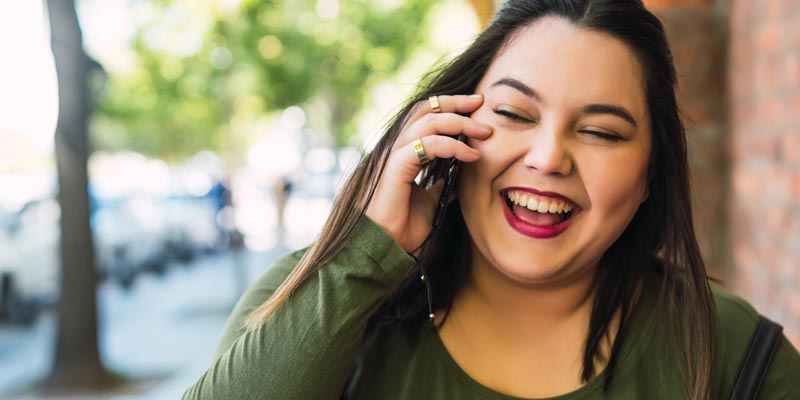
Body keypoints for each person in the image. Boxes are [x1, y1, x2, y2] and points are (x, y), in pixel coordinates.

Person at [184, 1, 800, 399]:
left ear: (650, 176)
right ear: (446, 127)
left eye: (602, 131)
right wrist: (363, 253)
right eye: (512, 113)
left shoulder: (736, 353)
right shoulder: (316, 299)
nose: (548, 157)